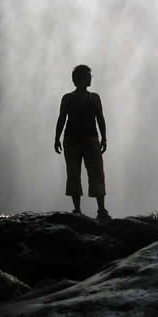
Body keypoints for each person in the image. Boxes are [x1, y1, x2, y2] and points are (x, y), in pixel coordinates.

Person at [54, 65, 110, 220]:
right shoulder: (68, 98)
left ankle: (100, 210)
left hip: (88, 139)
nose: (90, 78)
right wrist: (57, 137)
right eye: (88, 76)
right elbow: (62, 119)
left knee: (96, 172)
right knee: (74, 173)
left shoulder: (94, 97)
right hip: (74, 139)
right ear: (80, 79)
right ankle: (80, 209)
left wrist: (104, 137)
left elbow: (100, 118)